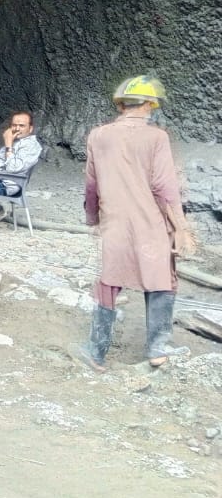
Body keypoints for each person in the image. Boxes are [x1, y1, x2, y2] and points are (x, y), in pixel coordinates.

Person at [69, 76, 196, 372]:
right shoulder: (157, 137)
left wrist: (92, 219)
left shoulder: (97, 135)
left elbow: (91, 184)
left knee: (109, 280)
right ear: (150, 105)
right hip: (150, 221)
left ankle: (96, 352)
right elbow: (165, 187)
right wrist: (180, 228)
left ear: (120, 104)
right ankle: (159, 349)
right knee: (161, 278)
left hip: (114, 221)